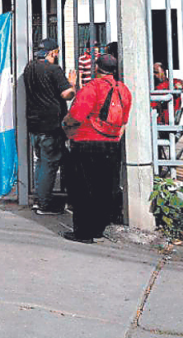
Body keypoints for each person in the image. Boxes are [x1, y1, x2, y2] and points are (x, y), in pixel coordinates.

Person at [61, 54, 132, 243]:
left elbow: (75, 116)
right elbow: (124, 121)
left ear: (96, 68)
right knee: (105, 188)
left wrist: (65, 125)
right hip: (112, 144)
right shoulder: (124, 91)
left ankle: (83, 233)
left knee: (83, 189)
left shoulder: (91, 88)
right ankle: (99, 229)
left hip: (86, 143)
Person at [23, 37, 76, 215]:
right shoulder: (54, 70)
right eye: (57, 52)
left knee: (41, 163)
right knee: (49, 165)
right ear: (53, 52)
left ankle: (40, 199)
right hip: (51, 126)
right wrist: (73, 84)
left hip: (34, 125)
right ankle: (44, 204)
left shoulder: (29, 68)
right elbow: (67, 94)